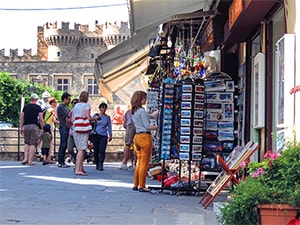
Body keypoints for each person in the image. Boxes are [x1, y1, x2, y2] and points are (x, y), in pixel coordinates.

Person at [131, 90, 158, 192]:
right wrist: (157, 127)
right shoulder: (142, 111)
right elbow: (147, 126)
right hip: (145, 138)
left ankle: (136, 184)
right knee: (144, 163)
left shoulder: (135, 111)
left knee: (139, 162)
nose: (146, 100)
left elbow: (151, 116)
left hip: (137, 137)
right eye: (144, 98)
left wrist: (158, 112)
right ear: (140, 99)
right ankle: (142, 185)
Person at [72, 91, 97, 175]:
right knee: (82, 149)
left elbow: (72, 119)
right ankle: (78, 169)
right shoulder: (87, 105)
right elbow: (88, 117)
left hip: (76, 127)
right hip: (83, 128)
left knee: (80, 148)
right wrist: (95, 118)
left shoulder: (75, 106)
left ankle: (81, 168)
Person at [19, 93, 44, 166]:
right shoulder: (38, 107)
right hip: (34, 126)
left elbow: (21, 117)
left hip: (26, 126)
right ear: (36, 99)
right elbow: (41, 119)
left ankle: (25, 159)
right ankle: (30, 160)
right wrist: (43, 128)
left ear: (31, 99)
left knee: (27, 143)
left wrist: (21, 127)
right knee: (33, 143)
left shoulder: (26, 107)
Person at [92, 102, 112, 171]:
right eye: (102, 107)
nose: (104, 109)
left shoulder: (107, 118)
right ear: (100, 108)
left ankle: (101, 164)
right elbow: (91, 122)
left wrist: (110, 134)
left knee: (102, 150)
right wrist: (95, 120)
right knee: (96, 150)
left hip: (103, 135)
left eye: (105, 107)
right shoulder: (96, 115)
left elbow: (109, 126)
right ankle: (97, 162)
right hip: (96, 134)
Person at [57, 92, 71, 168]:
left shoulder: (65, 107)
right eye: (69, 99)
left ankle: (61, 161)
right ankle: (60, 161)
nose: (69, 101)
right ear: (65, 99)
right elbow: (68, 115)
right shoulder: (61, 107)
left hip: (66, 127)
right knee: (63, 144)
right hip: (63, 127)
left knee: (65, 144)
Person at [43, 97, 59, 163]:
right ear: (52, 103)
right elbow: (56, 117)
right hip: (48, 128)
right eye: (56, 102)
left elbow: (53, 120)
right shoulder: (51, 109)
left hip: (48, 127)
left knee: (48, 143)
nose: (56, 104)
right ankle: (48, 158)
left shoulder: (49, 110)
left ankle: (47, 158)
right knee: (50, 143)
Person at [66, 98, 79, 163]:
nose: (74, 104)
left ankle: (78, 161)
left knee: (78, 149)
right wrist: (68, 121)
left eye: (76, 103)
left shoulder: (80, 112)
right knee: (70, 149)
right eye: (73, 103)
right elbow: (68, 124)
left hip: (78, 131)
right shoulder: (70, 112)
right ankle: (76, 158)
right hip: (71, 132)